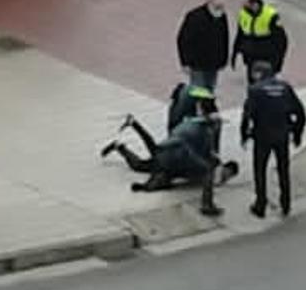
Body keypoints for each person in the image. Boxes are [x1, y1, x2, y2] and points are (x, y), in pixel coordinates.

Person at [100, 87, 237, 217]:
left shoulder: (194, 123)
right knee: (205, 171)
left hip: (170, 156)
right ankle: (206, 205)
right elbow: (196, 149)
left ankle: (119, 146)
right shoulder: (199, 128)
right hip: (171, 157)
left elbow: (204, 148)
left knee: (140, 165)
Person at [240, 62, 306, 218]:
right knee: (283, 168)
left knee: (260, 169)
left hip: (262, 135)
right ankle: (286, 202)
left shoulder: (255, 90)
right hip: (282, 134)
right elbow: (301, 113)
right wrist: (297, 134)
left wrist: (244, 135)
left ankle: (260, 204)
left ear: (258, 74)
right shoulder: (285, 87)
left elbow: (247, 116)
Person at [232, 0, 288, 84]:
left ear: (254, 3)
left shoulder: (270, 15)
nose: (242, 4)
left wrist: (278, 63)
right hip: (251, 56)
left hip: (267, 55)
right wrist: (235, 53)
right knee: (252, 84)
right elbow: (240, 34)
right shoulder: (243, 13)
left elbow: (281, 40)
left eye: (245, 2)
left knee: (266, 83)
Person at [176, 0, 229, 90]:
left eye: (221, 6)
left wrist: (223, 59)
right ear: (209, 3)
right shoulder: (194, 17)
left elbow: (224, 38)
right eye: (217, 6)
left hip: (213, 63)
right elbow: (183, 40)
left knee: (210, 89)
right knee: (198, 90)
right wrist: (185, 62)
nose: (219, 9)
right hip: (197, 63)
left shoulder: (221, 16)